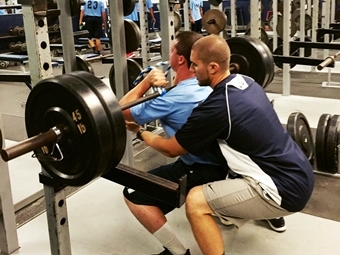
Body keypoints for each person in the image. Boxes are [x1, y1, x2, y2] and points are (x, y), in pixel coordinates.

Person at [126, 35, 315, 255]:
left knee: (196, 202)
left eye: (195, 65)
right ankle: (267, 213)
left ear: (213, 67)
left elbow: (170, 149)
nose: (192, 69)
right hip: (299, 171)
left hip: (283, 190)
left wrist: (139, 131)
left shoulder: (216, 108)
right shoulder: (246, 82)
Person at [119, 31, 228, 255]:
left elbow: (120, 111)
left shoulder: (172, 99)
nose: (168, 54)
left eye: (171, 50)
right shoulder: (211, 83)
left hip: (201, 169)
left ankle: (177, 252)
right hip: (229, 162)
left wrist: (146, 82)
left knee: (133, 193)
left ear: (180, 59)